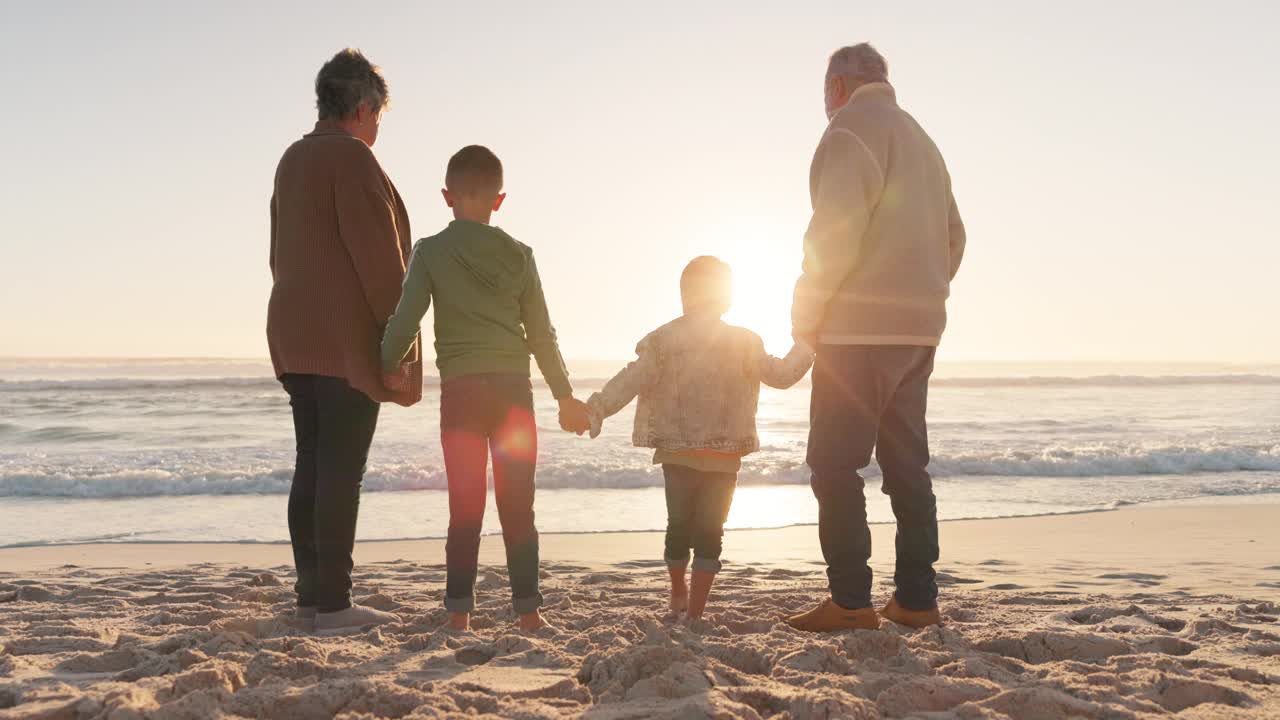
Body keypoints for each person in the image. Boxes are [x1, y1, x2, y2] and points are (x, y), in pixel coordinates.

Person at [786, 43, 966, 633]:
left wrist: (804, 319)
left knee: (834, 467)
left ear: (837, 86)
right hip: (919, 332)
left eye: (822, 92)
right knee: (907, 467)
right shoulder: (923, 140)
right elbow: (955, 236)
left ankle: (850, 601)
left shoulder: (848, 132)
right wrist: (923, 292)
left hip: (856, 333)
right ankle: (917, 599)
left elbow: (832, 239)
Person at [381, 145, 590, 632]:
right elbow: (542, 334)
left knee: (465, 506)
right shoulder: (520, 255)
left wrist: (384, 366)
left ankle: (458, 616)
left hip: (462, 397)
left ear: (447, 196)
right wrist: (565, 396)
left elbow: (405, 320)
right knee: (519, 507)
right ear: (500, 201)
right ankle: (530, 613)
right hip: (514, 396)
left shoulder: (430, 251)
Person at [267, 49, 421, 633]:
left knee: (311, 462)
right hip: (342, 338)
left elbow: (278, 252)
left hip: (292, 329)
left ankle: (311, 597)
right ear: (363, 108)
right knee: (339, 470)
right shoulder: (353, 160)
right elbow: (381, 265)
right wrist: (400, 350)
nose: (377, 128)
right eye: (378, 116)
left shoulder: (292, 158)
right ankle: (333, 604)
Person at [585, 256, 813, 622]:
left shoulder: (662, 339)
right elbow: (783, 375)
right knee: (711, 534)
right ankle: (694, 613)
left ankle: (678, 592)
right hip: (723, 457)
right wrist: (806, 344)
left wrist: (596, 408)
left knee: (678, 527)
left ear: (684, 295)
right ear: (727, 297)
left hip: (678, 454)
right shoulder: (745, 342)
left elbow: (631, 379)